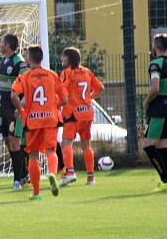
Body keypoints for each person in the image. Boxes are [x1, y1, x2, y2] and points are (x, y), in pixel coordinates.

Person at [11, 45, 68, 201]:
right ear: (41, 58)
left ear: (29, 58)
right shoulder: (52, 75)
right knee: (51, 150)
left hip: (32, 120)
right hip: (50, 119)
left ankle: (36, 193)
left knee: (34, 155)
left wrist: (21, 111)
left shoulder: (25, 76)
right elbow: (64, 99)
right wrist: (53, 107)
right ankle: (52, 172)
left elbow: (13, 95)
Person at [0, 34, 29, 190]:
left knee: (15, 142)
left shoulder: (19, 63)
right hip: (3, 108)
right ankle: (23, 173)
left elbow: (27, 85)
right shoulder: (3, 61)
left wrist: (21, 106)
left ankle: (18, 179)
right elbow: (2, 83)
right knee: (7, 141)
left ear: (8, 45)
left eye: (2, 42)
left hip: (14, 110)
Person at [142, 33, 167, 193]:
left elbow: (155, 88)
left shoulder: (155, 65)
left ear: (155, 46)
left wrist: (146, 101)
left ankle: (165, 180)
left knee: (148, 146)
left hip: (159, 109)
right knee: (162, 146)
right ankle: (165, 181)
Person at [59, 47, 104, 186]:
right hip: (87, 113)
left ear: (69, 59)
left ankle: (70, 172)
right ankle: (91, 177)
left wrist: (56, 105)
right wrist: (89, 99)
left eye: (63, 57)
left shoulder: (67, 73)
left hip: (73, 113)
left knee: (66, 142)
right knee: (86, 144)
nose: (61, 59)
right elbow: (100, 88)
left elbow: (63, 95)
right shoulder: (87, 71)